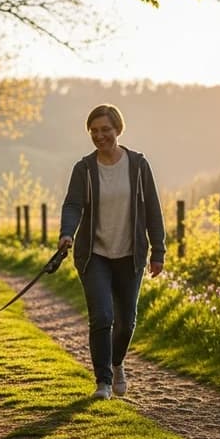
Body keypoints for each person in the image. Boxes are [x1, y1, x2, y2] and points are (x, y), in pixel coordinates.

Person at [57, 103, 165, 400]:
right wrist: (67, 233)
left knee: (126, 321)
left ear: (118, 129)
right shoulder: (84, 169)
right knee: (102, 316)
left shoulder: (138, 165)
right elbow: (72, 205)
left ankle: (117, 363)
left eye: (105, 129)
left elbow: (153, 209)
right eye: (94, 131)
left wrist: (158, 251)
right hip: (94, 255)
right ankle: (103, 381)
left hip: (130, 254)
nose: (99, 135)